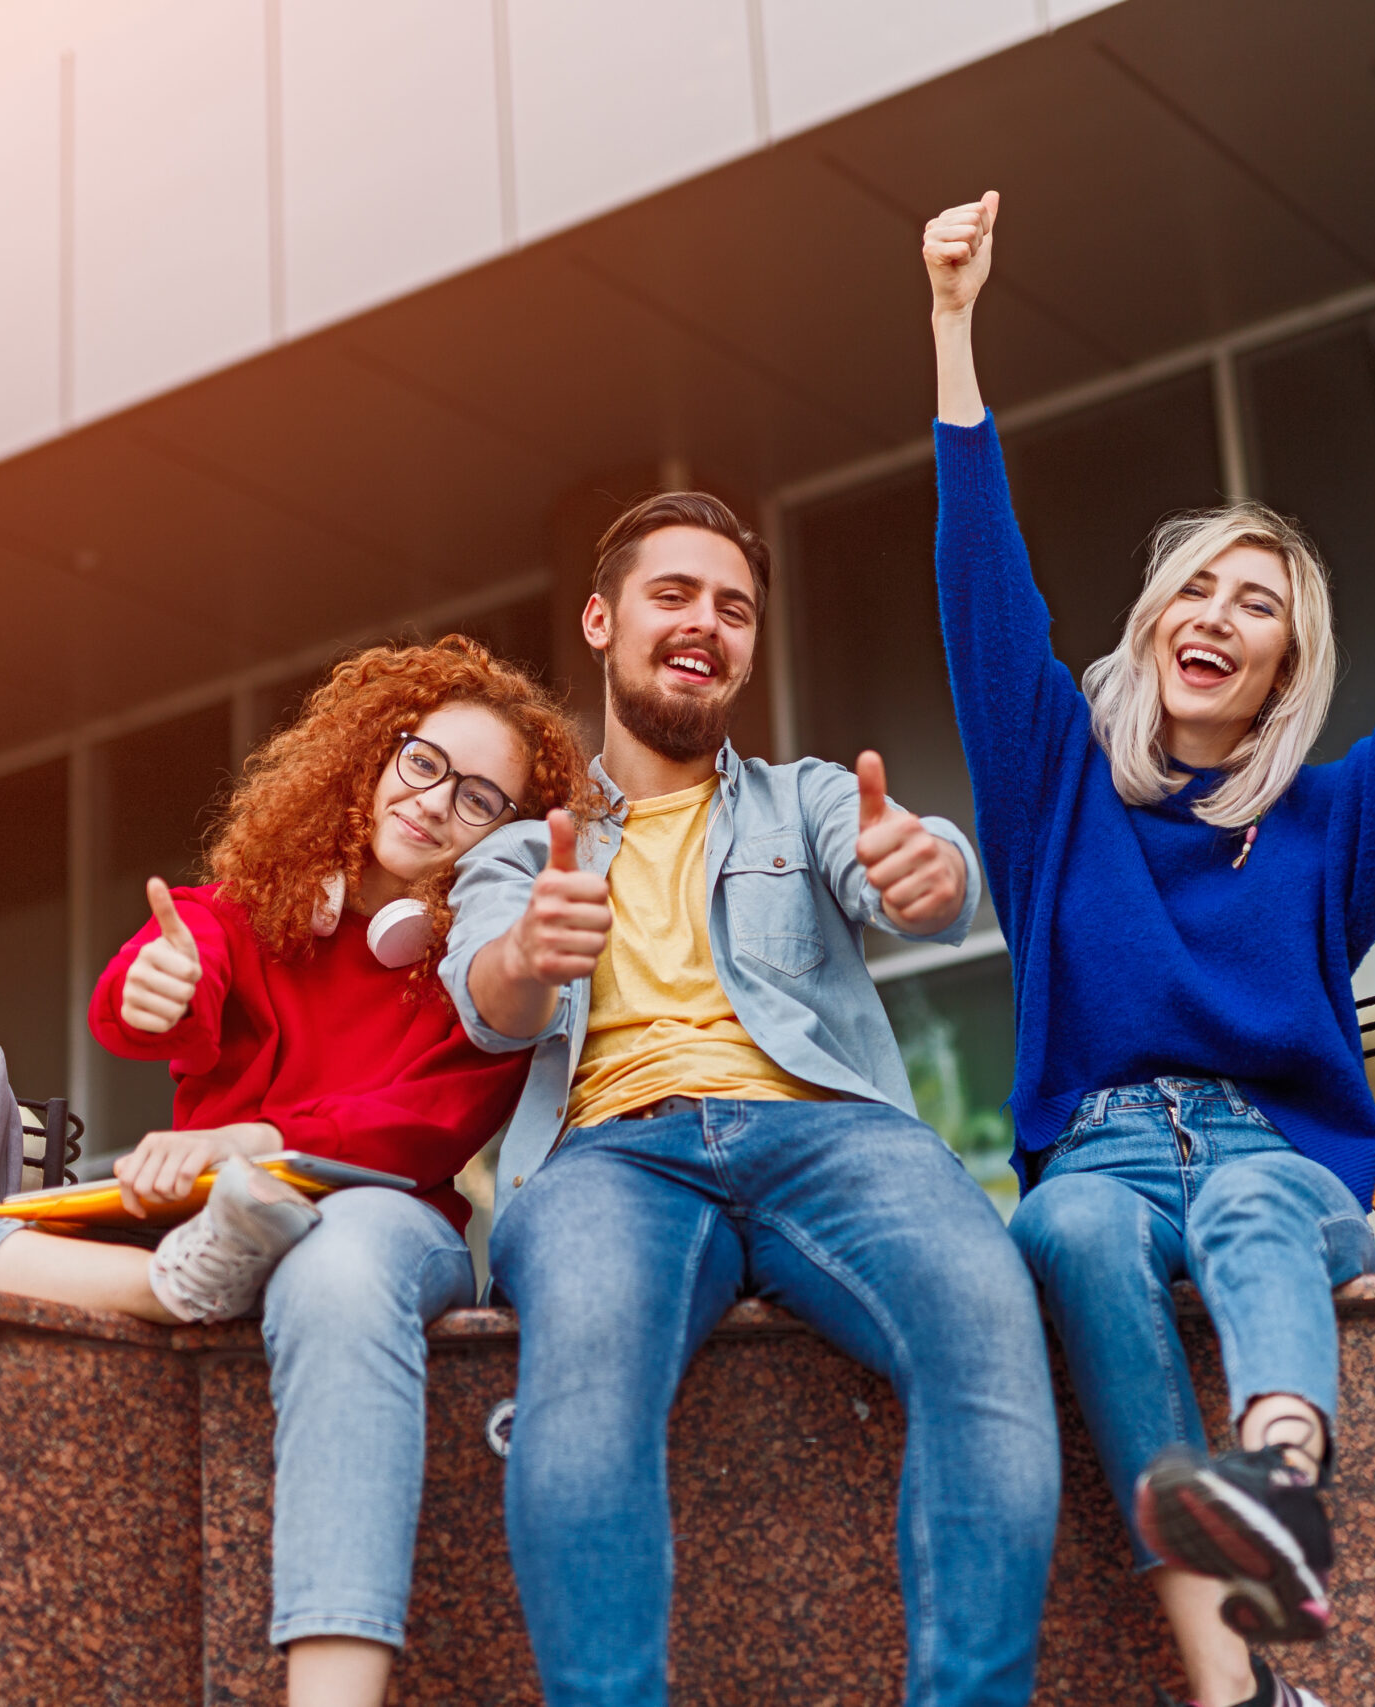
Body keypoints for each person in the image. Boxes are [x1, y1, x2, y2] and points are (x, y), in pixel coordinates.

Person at [0, 637, 593, 1707]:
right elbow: (152, 986)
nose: (434, 803)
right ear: (374, 753)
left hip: (374, 1223)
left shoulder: (490, 976)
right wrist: (154, 985)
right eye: (423, 763)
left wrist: (255, 1144)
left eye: (478, 799)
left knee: (340, 1265)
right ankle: (171, 1289)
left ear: (501, 838)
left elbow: (419, 1131)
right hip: (193, 1229)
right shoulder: (248, 911)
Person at [919, 193, 1375, 1707]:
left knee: (1251, 1195)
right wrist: (953, 326)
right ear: (1155, 619)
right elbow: (988, 599)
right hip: (1104, 1155)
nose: (1220, 613)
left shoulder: (1322, 825)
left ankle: (1282, 1472)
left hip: (1281, 1158)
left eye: (1260, 605)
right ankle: (1235, 1680)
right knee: (1060, 1233)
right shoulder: (1056, 785)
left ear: (1282, 672)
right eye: (1199, 585)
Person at [440, 492, 1062, 1707]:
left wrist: (930, 870)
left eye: (733, 609)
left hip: (828, 1136)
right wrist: (527, 954)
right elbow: (485, 1000)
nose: (705, 624)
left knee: (988, 1311)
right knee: (585, 1361)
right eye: (673, 596)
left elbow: (917, 878)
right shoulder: (527, 849)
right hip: (609, 1160)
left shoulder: (807, 797)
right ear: (601, 619)